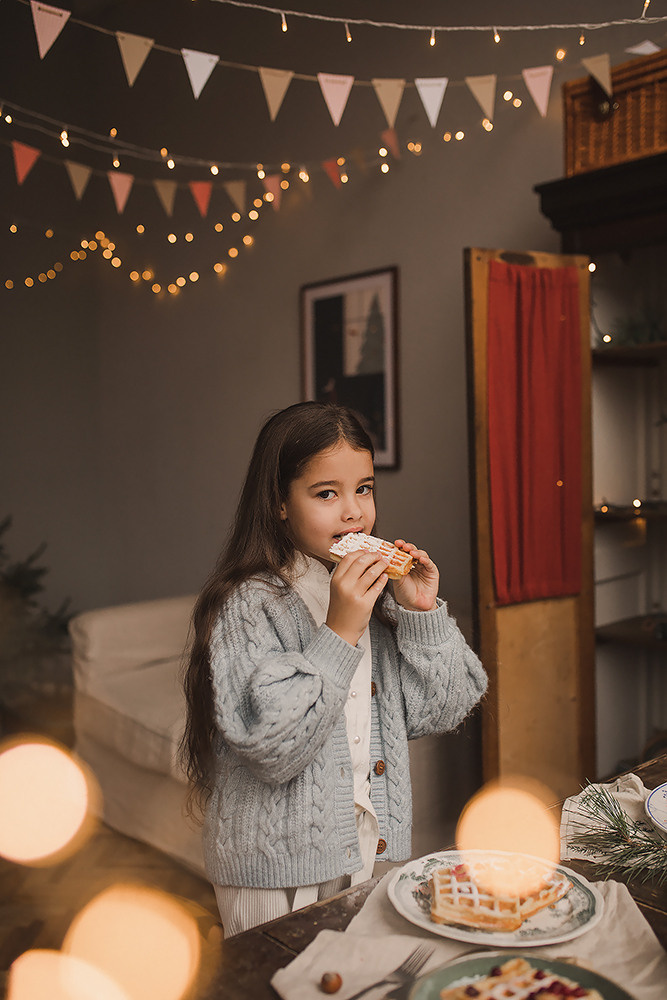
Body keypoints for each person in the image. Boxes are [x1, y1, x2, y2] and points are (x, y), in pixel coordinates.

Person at [180, 401, 487, 936]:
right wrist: (340, 631)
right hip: (272, 871)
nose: (354, 513)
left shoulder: (373, 597)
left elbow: (445, 707)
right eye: (326, 494)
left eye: (364, 489)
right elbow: (272, 747)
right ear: (279, 503)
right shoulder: (250, 604)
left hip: (359, 854)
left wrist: (422, 615)